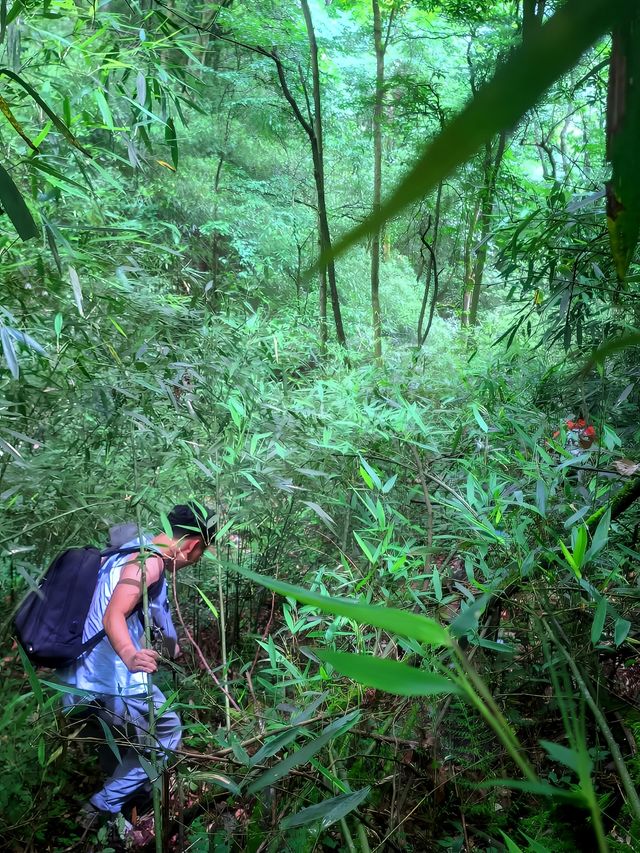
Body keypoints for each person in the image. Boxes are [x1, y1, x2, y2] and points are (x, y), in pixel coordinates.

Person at [61, 502, 215, 831]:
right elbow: (113, 614)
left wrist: (174, 648)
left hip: (75, 678)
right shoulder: (151, 563)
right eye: (201, 554)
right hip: (109, 678)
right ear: (192, 546)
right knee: (166, 733)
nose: (195, 561)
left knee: (116, 748)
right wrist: (131, 654)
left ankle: (118, 826)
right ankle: (99, 809)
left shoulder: (127, 550)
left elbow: (162, 617)